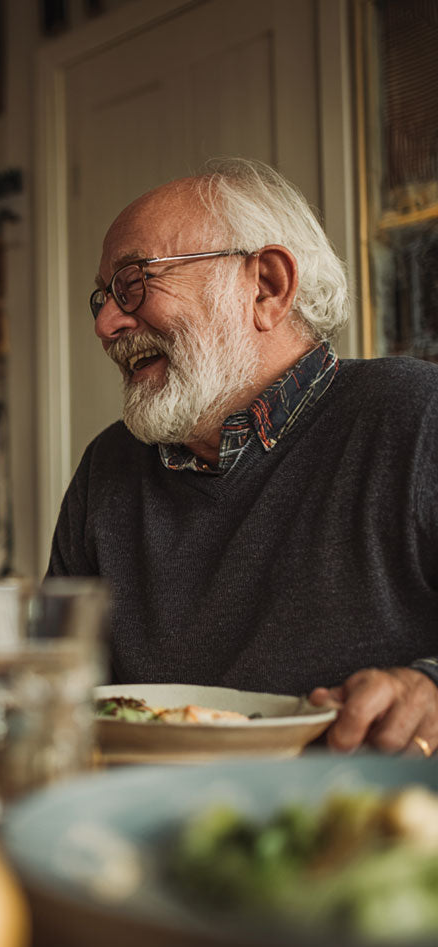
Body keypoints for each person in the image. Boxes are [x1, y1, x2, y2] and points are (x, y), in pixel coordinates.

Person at [47, 158, 438, 757]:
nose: (105, 324)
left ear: (267, 286)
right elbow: (50, 688)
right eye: (102, 297)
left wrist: (428, 689)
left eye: (133, 283)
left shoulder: (416, 416)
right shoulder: (109, 468)